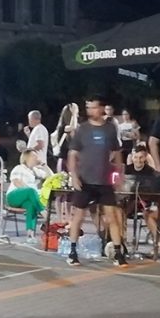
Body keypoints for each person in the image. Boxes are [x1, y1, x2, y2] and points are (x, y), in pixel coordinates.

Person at [65, 95, 127, 268]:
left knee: (112, 217)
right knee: (78, 217)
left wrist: (118, 175)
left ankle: (118, 253)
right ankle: (72, 252)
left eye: (93, 107)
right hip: (85, 180)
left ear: (101, 109)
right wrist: (74, 176)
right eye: (88, 107)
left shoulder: (110, 129)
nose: (90, 110)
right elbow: (72, 154)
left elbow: (117, 152)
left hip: (104, 181)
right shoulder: (82, 129)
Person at [7, 149, 48, 244]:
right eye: (34, 156)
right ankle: (43, 211)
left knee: (31, 205)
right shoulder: (19, 168)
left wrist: (44, 165)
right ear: (27, 157)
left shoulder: (35, 171)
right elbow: (16, 182)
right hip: (14, 196)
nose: (36, 158)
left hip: (28, 198)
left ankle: (30, 234)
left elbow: (50, 176)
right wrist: (29, 192)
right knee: (31, 190)